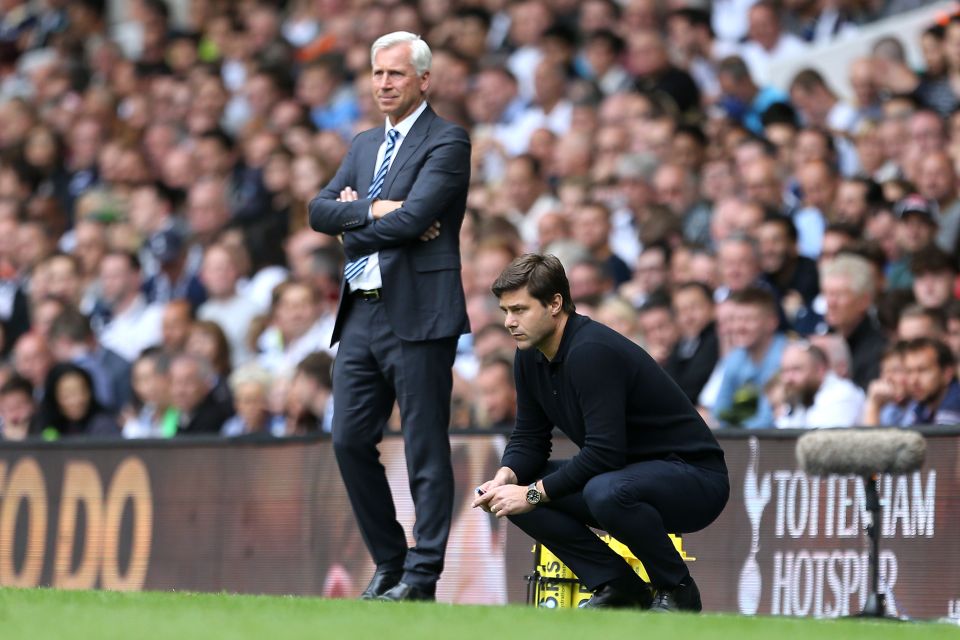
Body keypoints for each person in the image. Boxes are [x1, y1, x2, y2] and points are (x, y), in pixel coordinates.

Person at [307, 32, 471, 603]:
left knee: (424, 445)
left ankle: (422, 577)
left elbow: (419, 218)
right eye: (378, 73)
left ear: (424, 80)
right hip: (360, 316)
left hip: (421, 314)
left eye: (396, 74)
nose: (384, 84)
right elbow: (316, 211)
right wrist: (374, 209)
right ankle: (390, 562)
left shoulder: (448, 141)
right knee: (349, 441)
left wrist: (352, 229)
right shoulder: (361, 143)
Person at [473, 254, 728, 612]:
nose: (510, 322)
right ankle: (619, 586)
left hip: (695, 479)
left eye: (520, 310)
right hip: (626, 475)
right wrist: (506, 476)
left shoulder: (591, 351)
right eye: (505, 311)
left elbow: (605, 454)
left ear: (555, 304)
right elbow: (530, 437)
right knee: (515, 491)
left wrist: (531, 495)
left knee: (601, 490)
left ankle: (678, 589)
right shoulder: (528, 355)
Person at [774, 341, 865, 428]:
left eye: (796, 369)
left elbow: (822, 441)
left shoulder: (842, 394)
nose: (788, 379)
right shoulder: (800, 395)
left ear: (819, 370)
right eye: (785, 371)